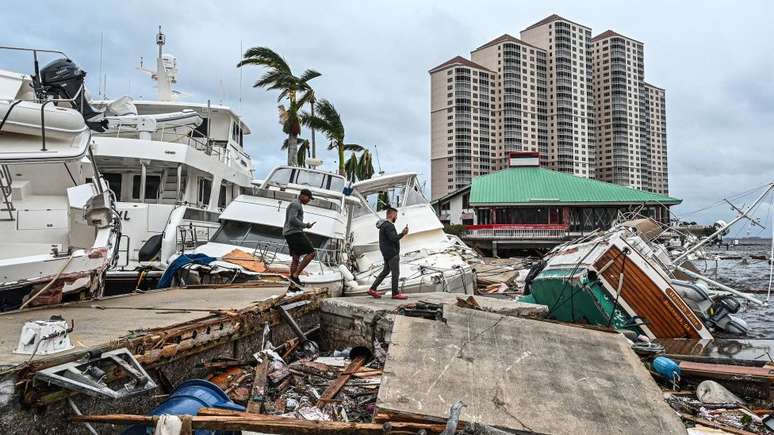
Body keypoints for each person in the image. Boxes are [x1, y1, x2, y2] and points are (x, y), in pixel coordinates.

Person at [368, 207, 409, 299]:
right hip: (392, 253)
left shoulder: (383, 226)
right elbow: (393, 238)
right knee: (395, 273)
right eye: (395, 215)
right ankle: (395, 293)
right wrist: (403, 233)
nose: (396, 217)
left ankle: (372, 289)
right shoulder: (389, 225)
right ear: (390, 214)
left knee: (385, 271)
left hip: (386, 253)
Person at [283, 188, 316, 289]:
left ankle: (293, 284)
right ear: (303, 195)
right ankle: (295, 275)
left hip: (289, 233)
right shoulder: (296, 204)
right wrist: (305, 225)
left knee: (296, 258)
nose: (309, 200)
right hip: (294, 233)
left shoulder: (295, 203)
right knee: (312, 253)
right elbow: (292, 219)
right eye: (308, 198)